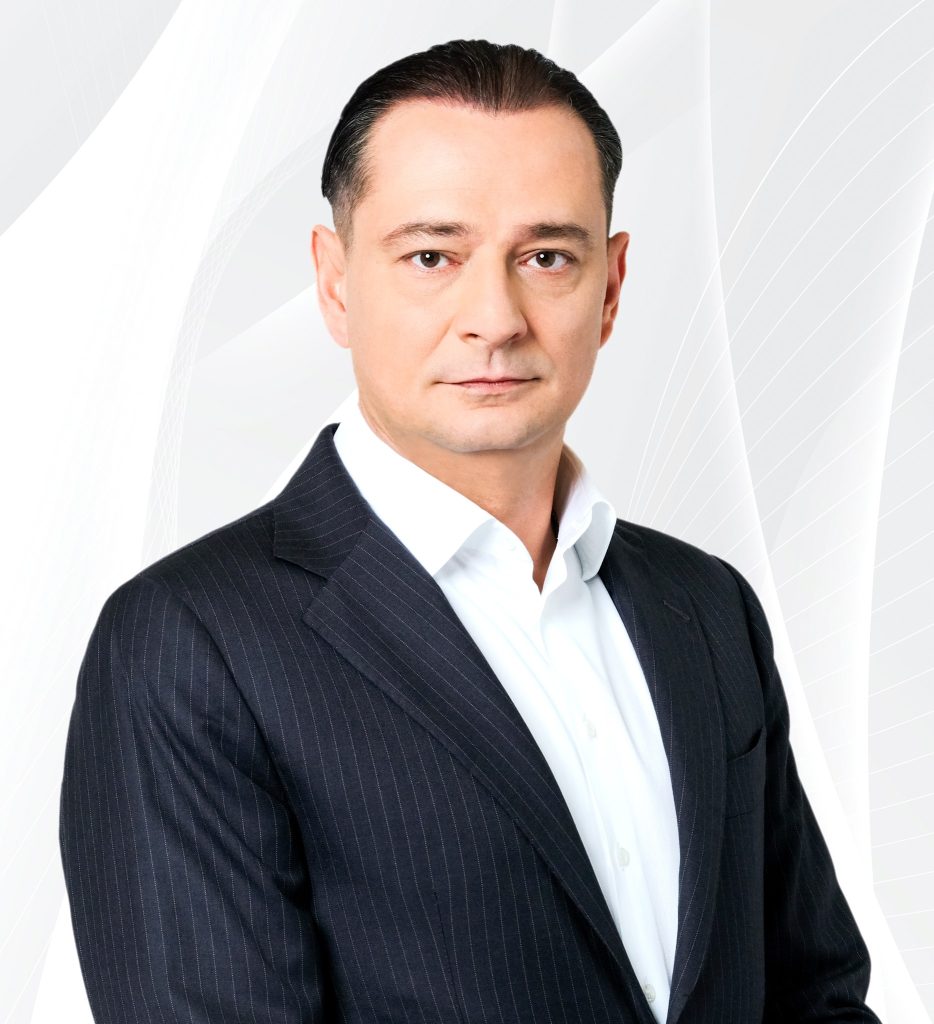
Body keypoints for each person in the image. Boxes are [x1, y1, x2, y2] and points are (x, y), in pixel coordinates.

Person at [59, 38, 882, 1024]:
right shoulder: (190, 643)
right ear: (335, 281)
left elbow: (814, 993)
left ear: (611, 285)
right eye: (431, 257)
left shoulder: (704, 607)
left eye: (545, 257)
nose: (494, 318)